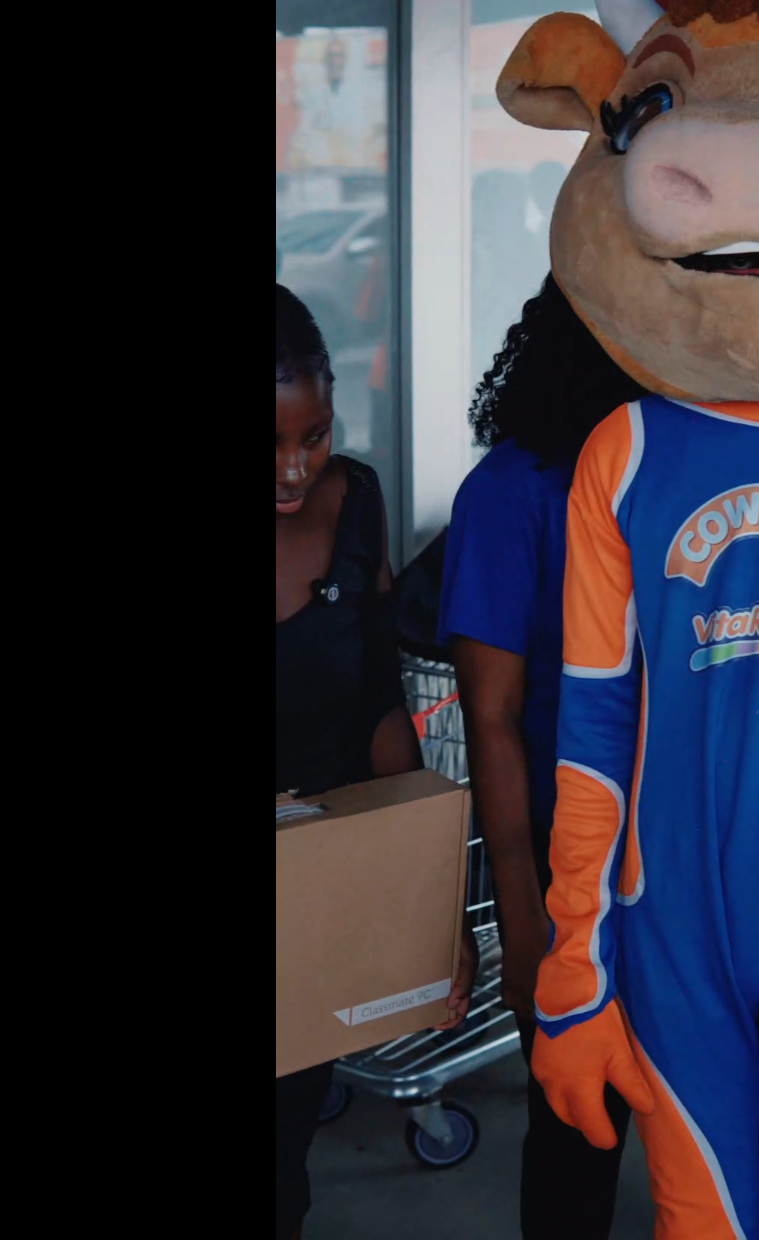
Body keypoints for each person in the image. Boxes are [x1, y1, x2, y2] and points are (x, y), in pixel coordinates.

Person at [439, 278, 656, 1238]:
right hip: (570, 872)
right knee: (576, 1140)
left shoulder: (688, 469)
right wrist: (523, 924)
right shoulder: (512, 490)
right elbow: (491, 718)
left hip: (693, 867)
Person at [275, 282, 465, 1240]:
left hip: (307, 900)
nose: (293, 469)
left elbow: (381, 704)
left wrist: (429, 907)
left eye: (312, 436)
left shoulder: (353, 502)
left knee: (281, 1165)